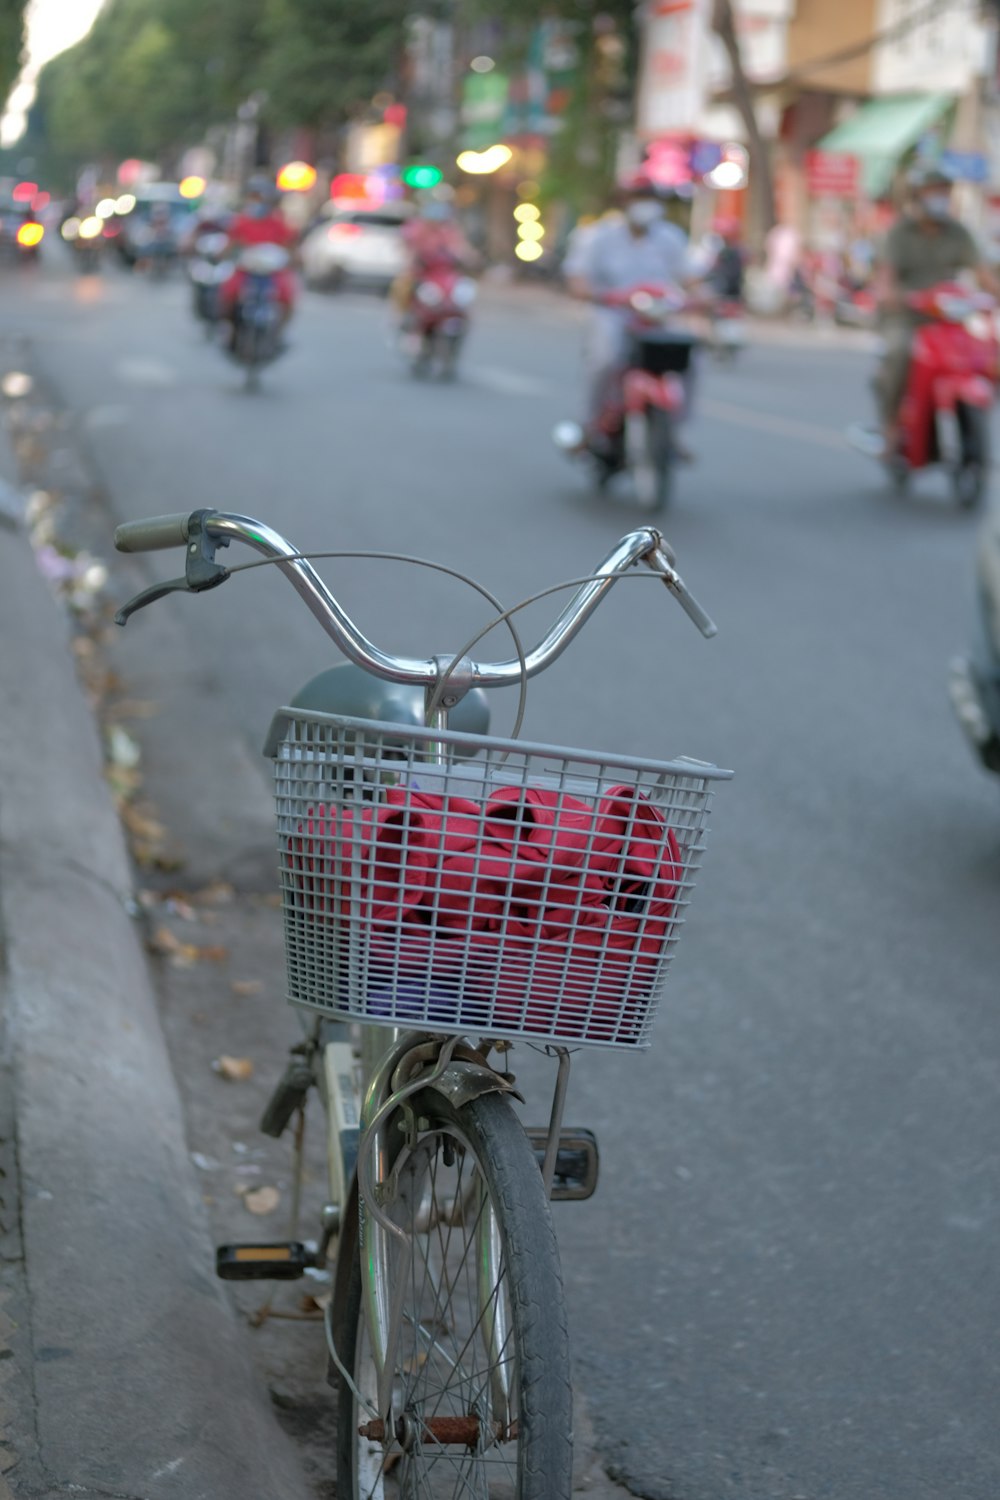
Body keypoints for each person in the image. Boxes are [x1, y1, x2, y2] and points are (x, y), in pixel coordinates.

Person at [563, 171, 695, 458]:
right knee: (605, 360)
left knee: (690, 359)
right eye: (639, 198)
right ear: (624, 202)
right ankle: (589, 426)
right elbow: (578, 280)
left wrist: (705, 297)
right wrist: (602, 295)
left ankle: (674, 431)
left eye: (650, 198)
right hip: (613, 314)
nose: (645, 205)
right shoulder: (598, 236)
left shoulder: (670, 237)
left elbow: (690, 278)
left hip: (657, 316)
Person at [872, 163, 1000, 451]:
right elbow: (886, 279)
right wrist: (894, 295)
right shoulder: (899, 233)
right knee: (899, 352)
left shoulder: (958, 233)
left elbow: (984, 275)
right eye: (933, 192)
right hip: (905, 316)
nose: (939, 197)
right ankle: (890, 425)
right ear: (918, 196)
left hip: (947, 318)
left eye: (944, 191)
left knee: (980, 355)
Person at [220, 176, 298, 342]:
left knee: (287, 295)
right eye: (254, 197)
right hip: (247, 268)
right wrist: (222, 254)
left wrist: (295, 258)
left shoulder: (277, 222)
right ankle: (231, 327)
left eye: (261, 198)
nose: (258, 202)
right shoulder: (241, 221)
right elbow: (230, 242)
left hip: (272, 271)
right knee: (228, 292)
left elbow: (290, 244)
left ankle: (279, 333)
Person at [394, 198, 477, 317]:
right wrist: (410, 263)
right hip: (421, 272)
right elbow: (409, 248)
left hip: (444, 273)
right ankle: (405, 317)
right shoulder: (417, 230)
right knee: (403, 287)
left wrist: (470, 259)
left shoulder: (448, 231)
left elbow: (460, 248)